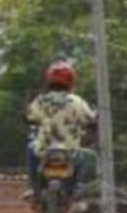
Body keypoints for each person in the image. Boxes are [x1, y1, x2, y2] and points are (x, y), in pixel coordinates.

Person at [25, 62, 95, 201]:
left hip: (43, 150)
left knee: (29, 148)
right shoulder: (78, 101)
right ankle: (79, 187)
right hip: (71, 150)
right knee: (91, 156)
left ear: (49, 80)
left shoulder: (41, 100)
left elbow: (29, 118)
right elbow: (90, 121)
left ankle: (34, 188)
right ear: (71, 81)